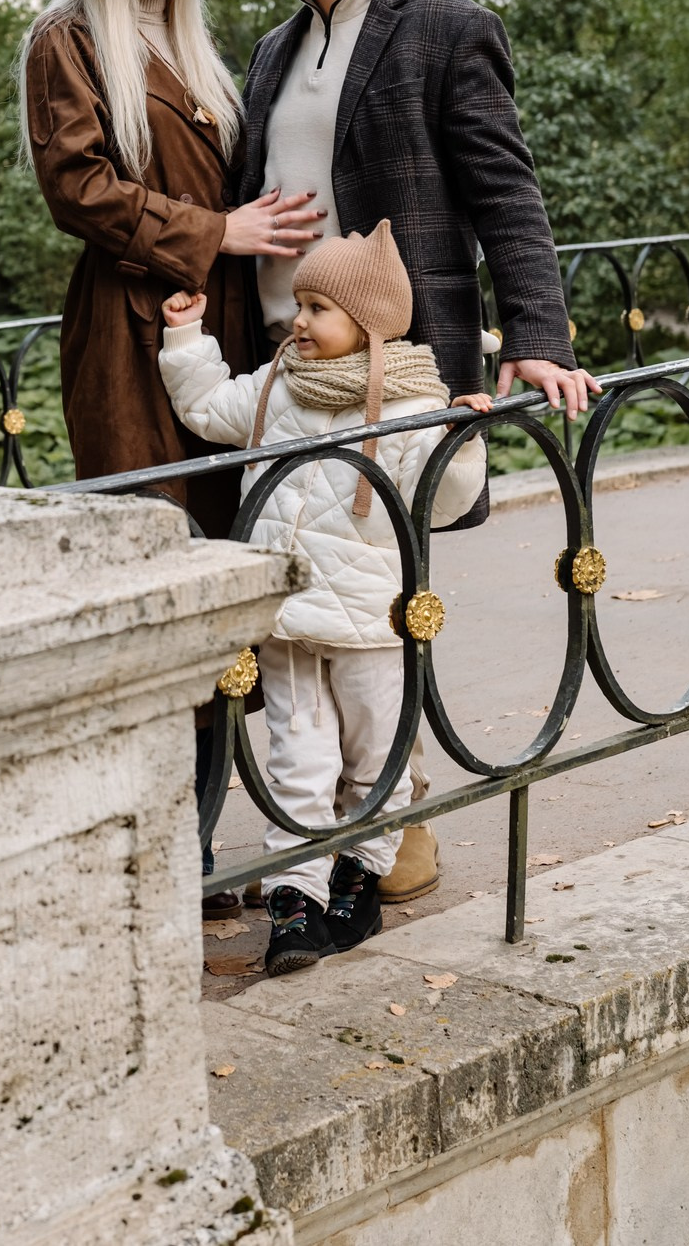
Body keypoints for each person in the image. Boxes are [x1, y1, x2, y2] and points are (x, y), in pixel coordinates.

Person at [242, 0, 602, 904]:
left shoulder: (445, 29)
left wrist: (538, 330)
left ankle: (393, 829)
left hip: (391, 382)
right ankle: (341, 833)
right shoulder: (271, 50)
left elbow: (506, 193)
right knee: (306, 617)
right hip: (283, 378)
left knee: (381, 613)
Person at [21, 0, 323, 913]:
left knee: (226, 585)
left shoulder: (193, 46)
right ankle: (160, 860)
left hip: (217, 335)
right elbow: (81, 191)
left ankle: (195, 845)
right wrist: (216, 231)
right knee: (159, 580)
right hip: (129, 339)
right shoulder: (67, 41)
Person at [160, 222, 489, 974]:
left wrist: (463, 440)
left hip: (370, 624)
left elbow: (439, 502)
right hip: (285, 621)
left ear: (368, 324)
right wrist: (186, 341)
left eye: (318, 309)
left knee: (376, 759)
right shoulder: (279, 385)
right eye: (299, 304)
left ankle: (359, 874)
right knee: (298, 763)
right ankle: (296, 897)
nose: (299, 321)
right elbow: (210, 407)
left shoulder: (410, 406)